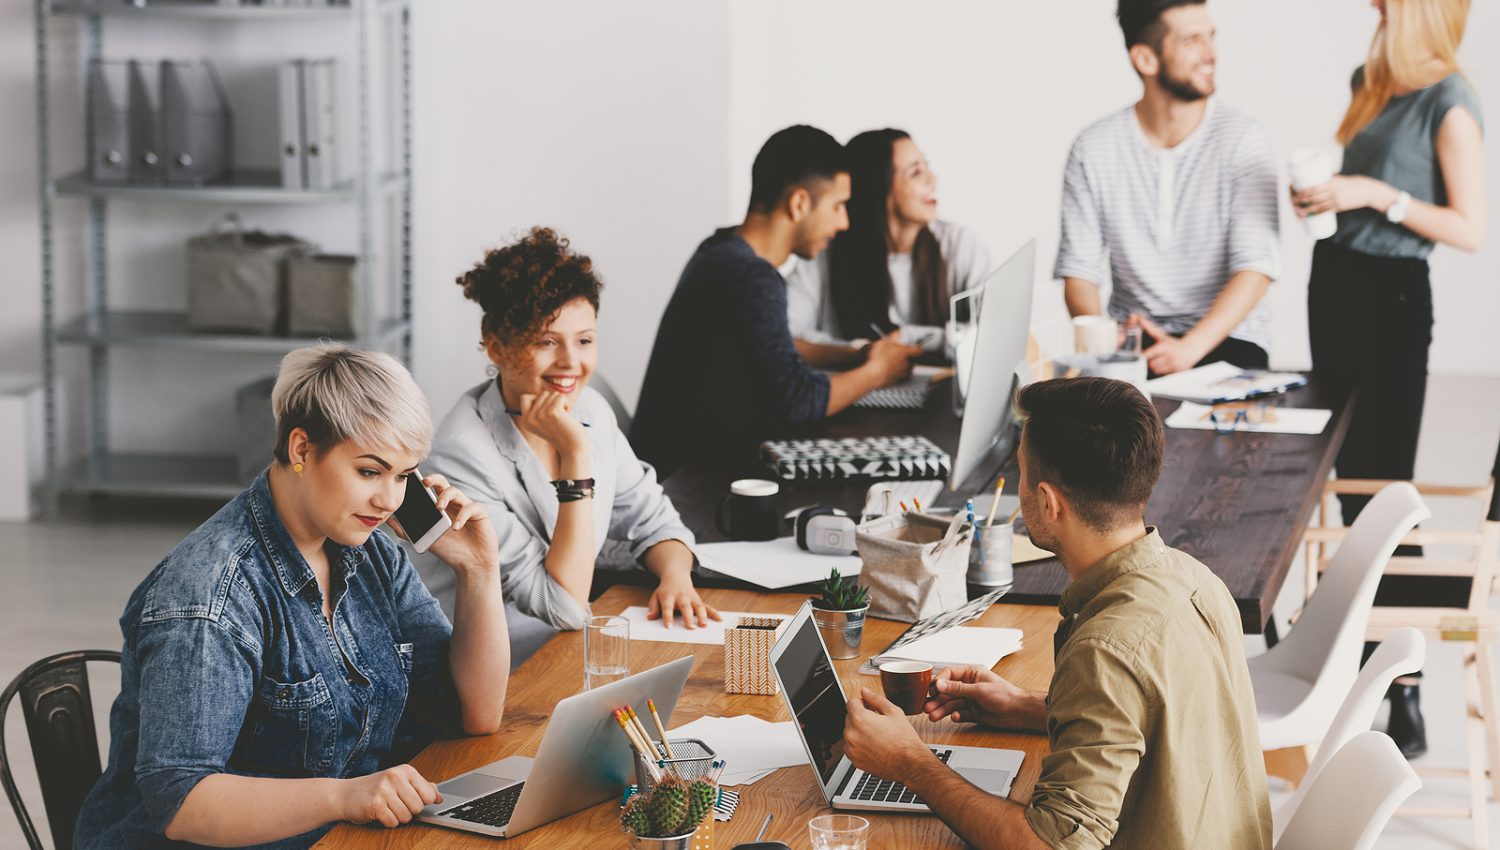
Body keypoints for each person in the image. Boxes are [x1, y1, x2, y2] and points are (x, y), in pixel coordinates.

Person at [75, 346, 510, 849]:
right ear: (302, 449)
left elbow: (475, 713)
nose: (390, 500)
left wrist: (478, 570)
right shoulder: (209, 594)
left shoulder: (373, 556)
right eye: (370, 471)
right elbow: (181, 801)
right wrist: (346, 797)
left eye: (404, 475)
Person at [842, 377, 1272, 850]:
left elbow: (1052, 846)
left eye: (1022, 474)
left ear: (1047, 502)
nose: (1019, 489)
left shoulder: (1104, 649)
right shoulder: (1195, 579)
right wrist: (1036, 709)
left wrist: (910, 762)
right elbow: (1164, 726)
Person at [1292, 0, 1483, 758]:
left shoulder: (1451, 102)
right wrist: (1326, 198)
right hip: (1334, 282)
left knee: (1385, 493)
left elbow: (1470, 228)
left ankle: (1404, 691)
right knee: (1344, 486)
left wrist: (1375, 195)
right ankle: (1355, 670)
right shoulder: (1372, 83)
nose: (1372, 6)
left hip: (1391, 300)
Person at [422, 227, 719, 666]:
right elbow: (562, 607)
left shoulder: (590, 409)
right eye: (546, 341)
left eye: (584, 340)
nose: (571, 364)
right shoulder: (459, 455)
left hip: (567, 651)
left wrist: (675, 576)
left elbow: (653, 518)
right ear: (497, 345)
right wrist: (576, 459)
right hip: (499, 671)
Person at [632, 125, 921, 475]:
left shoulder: (721, 252)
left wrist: (856, 354)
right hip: (692, 485)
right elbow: (797, 400)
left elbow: (770, 345)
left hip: (678, 469)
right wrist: (877, 371)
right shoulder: (752, 276)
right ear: (799, 203)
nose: (844, 222)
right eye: (839, 206)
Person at [1056, 0, 1280, 375]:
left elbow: (1255, 268)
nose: (1211, 54)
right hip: (1133, 344)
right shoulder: (1093, 148)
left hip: (1227, 341)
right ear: (1146, 59)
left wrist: (1189, 349)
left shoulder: (1243, 140)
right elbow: (1078, 271)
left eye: (1210, 37)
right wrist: (1104, 338)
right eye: (1192, 40)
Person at [784, 128, 992, 365]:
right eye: (915, 172)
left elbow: (995, 333)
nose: (932, 179)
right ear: (879, 187)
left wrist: (907, 337)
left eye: (926, 166)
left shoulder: (958, 245)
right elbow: (783, 337)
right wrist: (865, 353)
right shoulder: (825, 252)